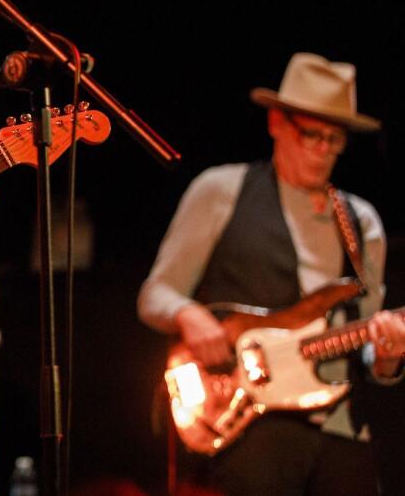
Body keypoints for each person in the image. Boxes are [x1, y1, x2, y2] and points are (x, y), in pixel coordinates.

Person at [138, 52, 405, 494]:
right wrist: (189, 316)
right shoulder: (221, 190)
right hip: (250, 426)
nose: (322, 150)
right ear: (276, 122)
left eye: (334, 140)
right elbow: (155, 294)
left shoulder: (362, 221)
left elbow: (371, 352)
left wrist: (390, 352)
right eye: (310, 135)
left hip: (341, 426)